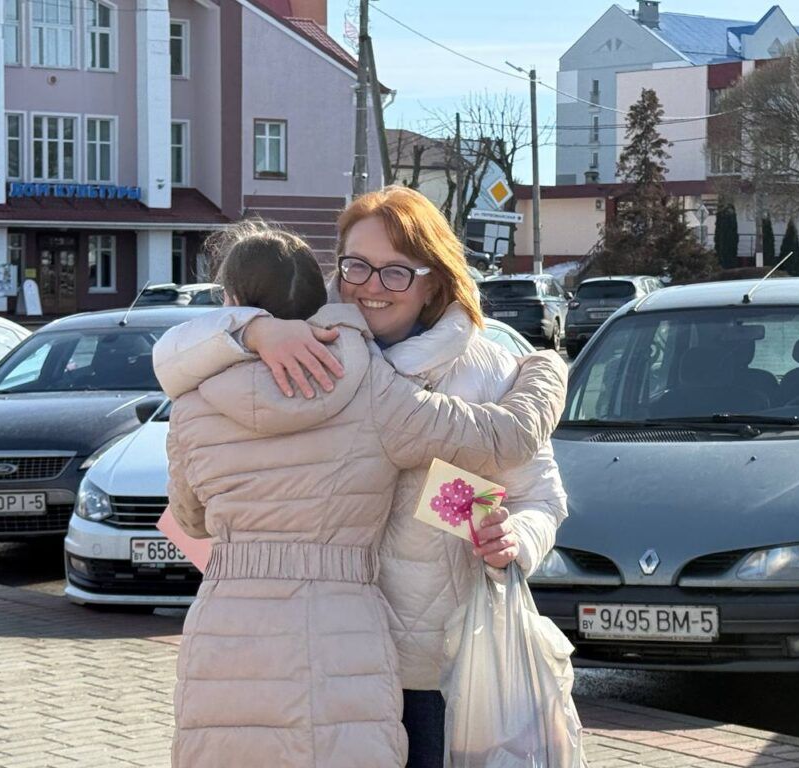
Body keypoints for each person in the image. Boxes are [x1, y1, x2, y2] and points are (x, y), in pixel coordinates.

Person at [164, 223, 568, 768]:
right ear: (330, 276)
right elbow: (509, 433)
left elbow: (191, 518)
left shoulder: (194, 398)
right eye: (357, 265)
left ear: (435, 281)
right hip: (348, 640)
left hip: (370, 654)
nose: (372, 284)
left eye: (397, 269)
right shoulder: (370, 386)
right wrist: (550, 368)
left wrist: (498, 528)